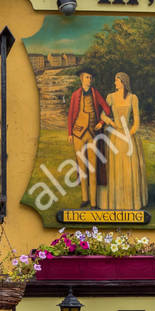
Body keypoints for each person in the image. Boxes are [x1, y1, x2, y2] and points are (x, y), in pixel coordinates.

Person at [101, 71, 148, 211]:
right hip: (114, 134)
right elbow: (102, 114)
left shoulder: (133, 98)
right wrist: (111, 122)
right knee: (114, 168)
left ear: (123, 82)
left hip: (129, 135)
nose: (114, 83)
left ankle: (129, 203)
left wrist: (129, 134)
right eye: (115, 80)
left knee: (128, 169)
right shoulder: (110, 97)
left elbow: (137, 122)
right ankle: (115, 203)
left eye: (116, 80)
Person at [67, 68, 112, 208]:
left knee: (92, 168)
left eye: (91, 77)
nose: (89, 80)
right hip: (78, 134)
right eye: (87, 77)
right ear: (81, 79)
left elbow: (107, 109)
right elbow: (70, 115)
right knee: (82, 168)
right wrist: (70, 133)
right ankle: (84, 198)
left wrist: (101, 122)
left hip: (92, 134)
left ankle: (93, 203)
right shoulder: (75, 95)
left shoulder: (95, 93)